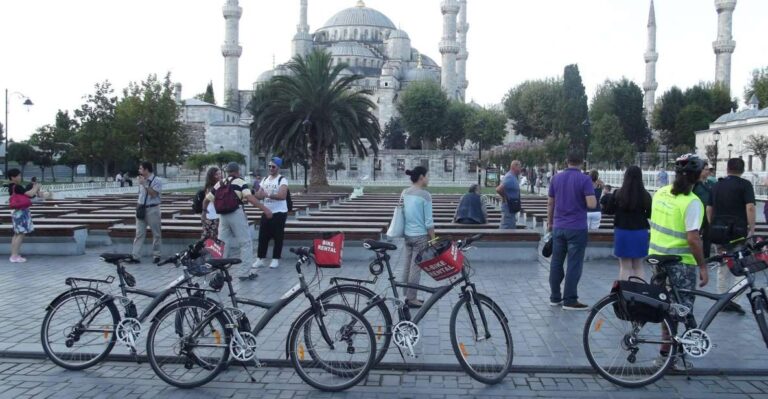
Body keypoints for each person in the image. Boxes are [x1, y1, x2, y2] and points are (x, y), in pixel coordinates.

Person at [649, 154, 708, 369]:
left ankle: (666, 353)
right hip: (680, 261)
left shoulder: (661, 192)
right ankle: (670, 357)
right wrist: (702, 265)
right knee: (681, 309)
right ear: (698, 177)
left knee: (666, 307)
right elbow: (693, 238)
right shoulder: (692, 202)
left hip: (657, 256)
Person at [204, 162, 272, 280]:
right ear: (237, 171)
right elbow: (250, 198)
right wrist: (265, 209)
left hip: (223, 216)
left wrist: (204, 212)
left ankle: (220, 271)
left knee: (222, 244)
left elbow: (206, 199)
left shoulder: (219, 183)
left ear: (228, 171)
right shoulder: (240, 182)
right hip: (236, 214)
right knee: (245, 243)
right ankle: (244, 273)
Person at [547, 151, 596, 310]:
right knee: (574, 264)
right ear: (582, 163)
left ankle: (555, 297)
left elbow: (550, 203)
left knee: (556, 262)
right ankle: (570, 299)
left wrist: (550, 224)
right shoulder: (585, 179)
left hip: (558, 226)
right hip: (576, 227)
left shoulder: (556, 178)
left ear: (566, 161)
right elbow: (591, 204)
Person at [707, 158, 755, 314]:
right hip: (738, 230)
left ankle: (722, 297)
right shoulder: (745, 185)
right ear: (742, 170)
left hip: (719, 229)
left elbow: (709, 208)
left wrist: (712, 223)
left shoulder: (716, 185)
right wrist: (752, 228)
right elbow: (750, 207)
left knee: (723, 264)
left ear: (727, 169)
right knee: (740, 265)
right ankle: (734, 299)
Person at [607, 166, 652, 280]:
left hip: (622, 231)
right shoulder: (645, 195)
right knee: (638, 266)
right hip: (640, 231)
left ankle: (625, 293)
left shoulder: (618, 193)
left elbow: (609, 210)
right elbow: (650, 214)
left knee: (625, 266)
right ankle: (639, 292)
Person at [402, 166, 435, 308]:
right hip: (420, 236)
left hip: (407, 235)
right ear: (421, 177)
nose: (428, 179)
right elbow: (429, 222)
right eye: (427, 176)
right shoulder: (425, 195)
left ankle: (405, 295)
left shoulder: (405, 192)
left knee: (407, 266)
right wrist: (433, 239)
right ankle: (412, 298)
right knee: (416, 268)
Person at [252, 157, 290, 270]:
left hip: (279, 212)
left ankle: (275, 259)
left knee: (278, 236)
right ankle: (260, 258)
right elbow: (259, 195)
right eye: (269, 166)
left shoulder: (282, 180)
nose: (271, 168)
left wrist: (267, 195)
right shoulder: (265, 179)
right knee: (263, 236)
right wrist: (254, 194)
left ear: (278, 167)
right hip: (267, 211)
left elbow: (282, 196)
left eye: (273, 166)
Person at [130, 162, 163, 264]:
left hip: (153, 209)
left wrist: (144, 184)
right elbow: (141, 196)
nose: (139, 171)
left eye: (141, 169)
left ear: (146, 170)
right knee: (139, 233)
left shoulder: (157, 180)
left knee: (156, 233)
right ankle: (135, 256)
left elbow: (153, 194)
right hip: (141, 209)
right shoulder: (141, 180)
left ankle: (156, 255)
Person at [6, 169, 40, 262]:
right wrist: (36, 188)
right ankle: (15, 256)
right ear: (13, 177)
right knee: (21, 234)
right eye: (19, 176)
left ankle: (13, 254)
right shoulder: (17, 187)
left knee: (17, 233)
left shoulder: (11, 186)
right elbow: (30, 194)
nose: (20, 177)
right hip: (21, 212)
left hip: (16, 212)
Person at [496, 160, 522, 230]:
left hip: (512, 208)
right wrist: (505, 197)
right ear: (514, 167)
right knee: (506, 228)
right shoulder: (509, 177)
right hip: (508, 207)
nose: (520, 169)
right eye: (519, 167)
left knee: (511, 228)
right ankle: (501, 240)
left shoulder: (513, 177)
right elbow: (498, 189)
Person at [201, 167, 221, 239]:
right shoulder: (212, 188)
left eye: (220, 174)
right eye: (217, 174)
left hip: (214, 215)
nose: (219, 176)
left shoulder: (217, 186)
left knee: (212, 238)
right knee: (212, 239)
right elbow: (213, 200)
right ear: (212, 176)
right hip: (213, 215)